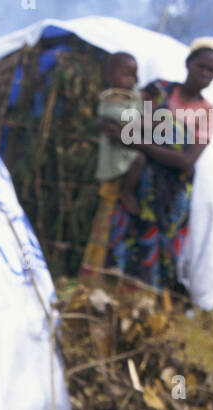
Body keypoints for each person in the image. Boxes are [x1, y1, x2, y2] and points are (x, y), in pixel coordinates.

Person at [102, 38, 213, 293]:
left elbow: (185, 160)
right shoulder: (158, 90)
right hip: (136, 178)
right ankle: (112, 294)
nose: (205, 73)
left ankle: (149, 299)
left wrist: (138, 144)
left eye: (211, 70)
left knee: (160, 242)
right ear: (188, 63)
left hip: (172, 190)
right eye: (201, 66)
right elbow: (128, 119)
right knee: (125, 234)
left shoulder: (208, 113)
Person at [81, 52, 145, 282]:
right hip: (118, 158)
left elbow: (140, 116)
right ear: (110, 75)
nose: (131, 79)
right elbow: (116, 117)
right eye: (125, 74)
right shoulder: (109, 99)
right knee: (107, 216)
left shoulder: (134, 96)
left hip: (129, 148)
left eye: (134, 74)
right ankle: (96, 276)